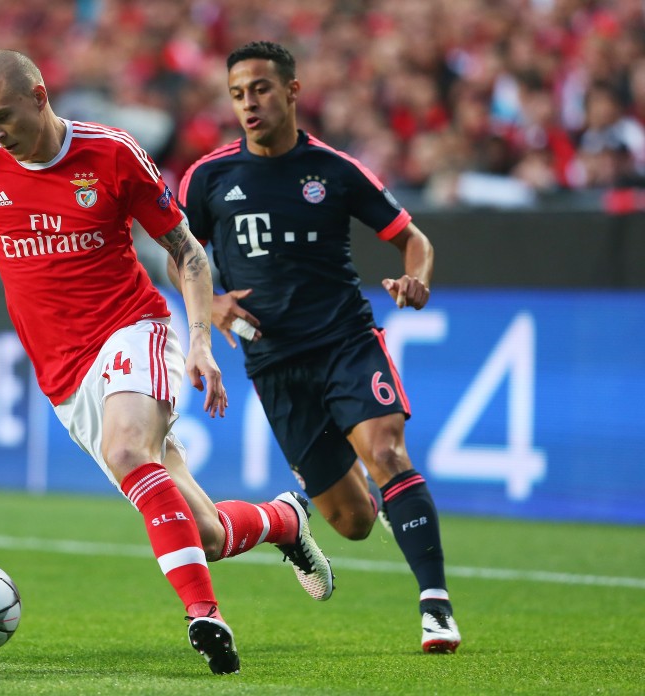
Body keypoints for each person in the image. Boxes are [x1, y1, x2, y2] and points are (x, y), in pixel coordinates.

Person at [0, 49, 334, 676]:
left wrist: (198, 338)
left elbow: (186, 251)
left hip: (134, 330)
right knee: (208, 534)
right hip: (65, 378)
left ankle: (204, 616)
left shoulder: (110, 153)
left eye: (1, 116)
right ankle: (285, 521)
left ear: (39, 96)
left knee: (126, 452)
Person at [174, 41, 461, 654]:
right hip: (274, 363)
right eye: (237, 94)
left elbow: (414, 239)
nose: (249, 103)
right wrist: (211, 304)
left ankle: (435, 607)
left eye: (261, 89)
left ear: (292, 91)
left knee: (386, 452)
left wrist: (418, 278)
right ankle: (294, 518)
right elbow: (179, 253)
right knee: (354, 522)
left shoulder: (334, 171)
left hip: (345, 341)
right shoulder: (209, 178)